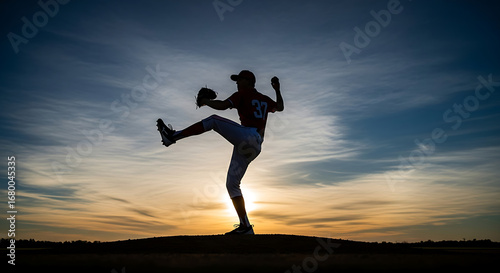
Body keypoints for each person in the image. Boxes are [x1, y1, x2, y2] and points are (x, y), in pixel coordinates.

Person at [157, 70, 284, 235]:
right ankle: (245, 227)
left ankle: (172, 136)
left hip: (248, 136)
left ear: (249, 81)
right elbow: (280, 107)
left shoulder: (243, 94)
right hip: (254, 146)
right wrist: (277, 89)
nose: (237, 83)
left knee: (214, 120)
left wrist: (205, 101)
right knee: (232, 184)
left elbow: (223, 105)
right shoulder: (264, 99)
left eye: (239, 79)